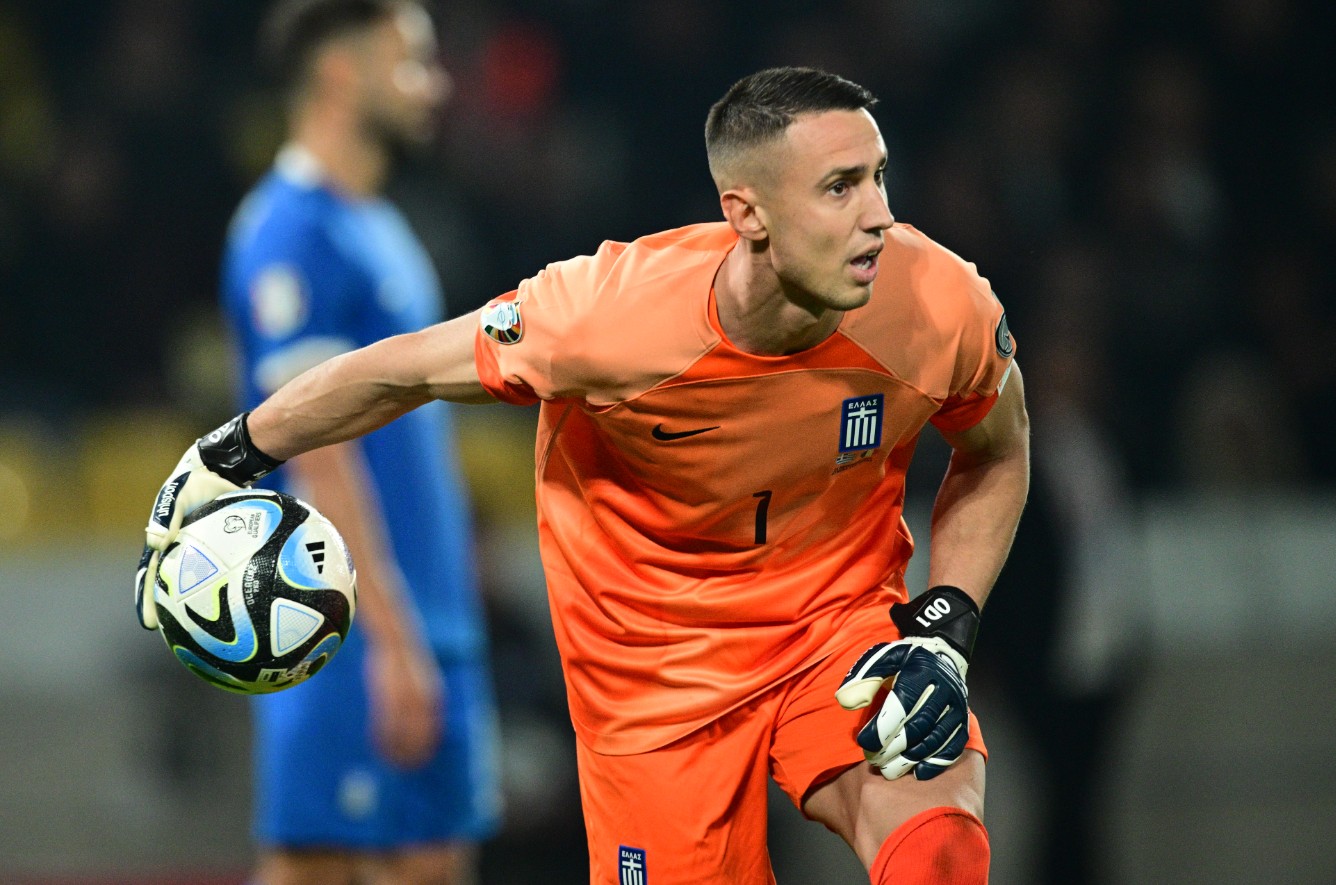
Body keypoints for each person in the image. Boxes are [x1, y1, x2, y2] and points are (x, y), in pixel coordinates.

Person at [140, 66, 1029, 884]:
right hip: (652, 678)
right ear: (748, 213)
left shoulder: (937, 303)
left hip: (836, 633)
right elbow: (400, 372)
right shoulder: (610, 318)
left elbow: (998, 450)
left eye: (879, 177)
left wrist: (947, 624)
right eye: (840, 187)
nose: (879, 215)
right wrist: (227, 455)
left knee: (941, 849)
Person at [203, 1, 500, 882]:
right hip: (345, 627)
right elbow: (318, 450)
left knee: (431, 862)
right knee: (317, 867)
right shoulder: (289, 231)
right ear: (340, 70)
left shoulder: (377, 224)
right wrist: (388, 637)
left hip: (429, 618)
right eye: (410, 61)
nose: (433, 85)